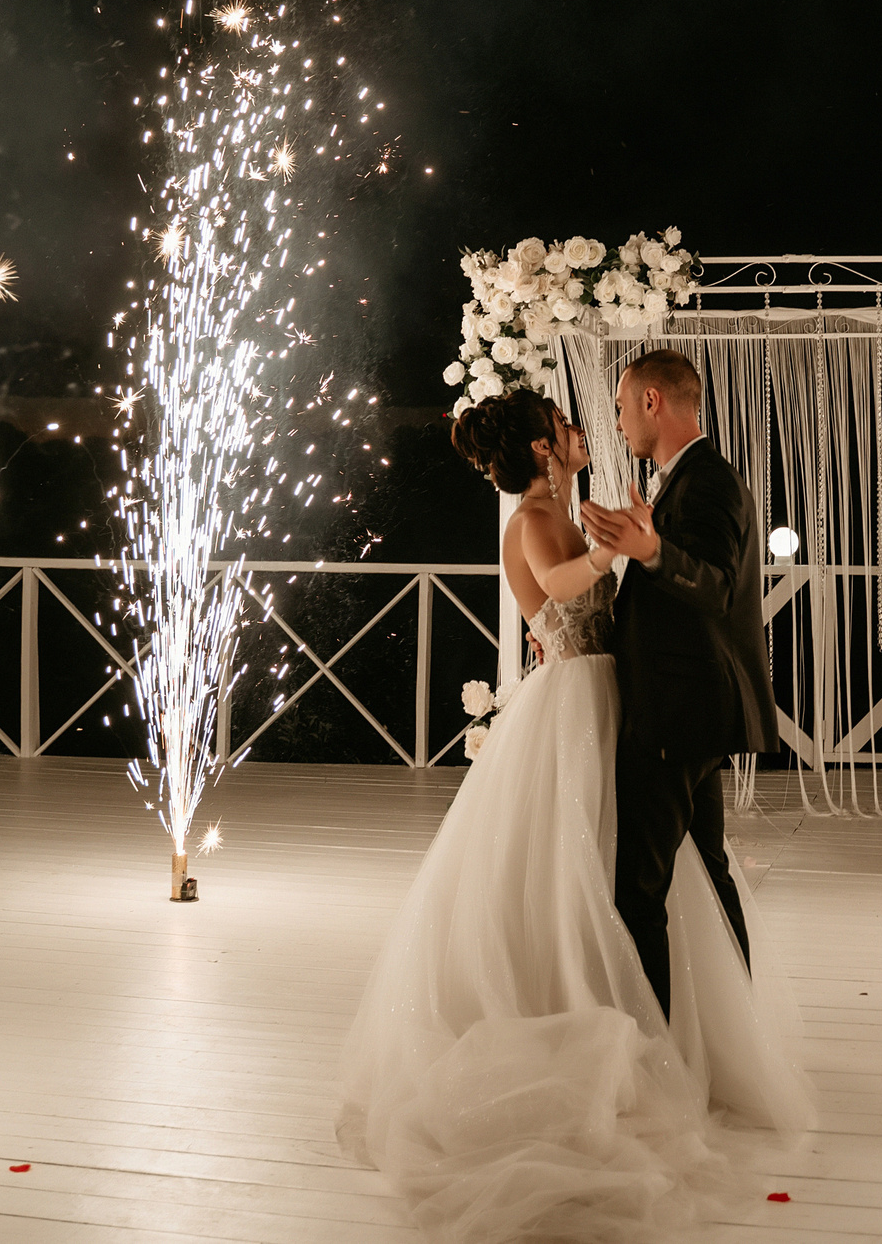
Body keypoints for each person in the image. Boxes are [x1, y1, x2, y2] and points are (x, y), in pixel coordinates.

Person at [335, 385, 812, 1244]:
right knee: (587, 874)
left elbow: (573, 603)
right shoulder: (535, 514)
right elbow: (553, 582)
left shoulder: (557, 503)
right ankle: (611, 1025)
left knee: (613, 870)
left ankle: (659, 1028)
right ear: (544, 448)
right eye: (566, 425)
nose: (584, 430)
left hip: (600, 692)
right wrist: (609, 554)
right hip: (577, 703)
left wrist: (617, 554)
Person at [579, 349, 784, 1019]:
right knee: (710, 874)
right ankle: (736, 1032)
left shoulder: (711, 482)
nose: (615, 423)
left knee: (638, 891)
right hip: (691, 711)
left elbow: (717, 585)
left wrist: (653, 551)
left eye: (618, 406)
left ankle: (653, 1054)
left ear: (652, 401)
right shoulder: (679, 481)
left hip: (676, 713)